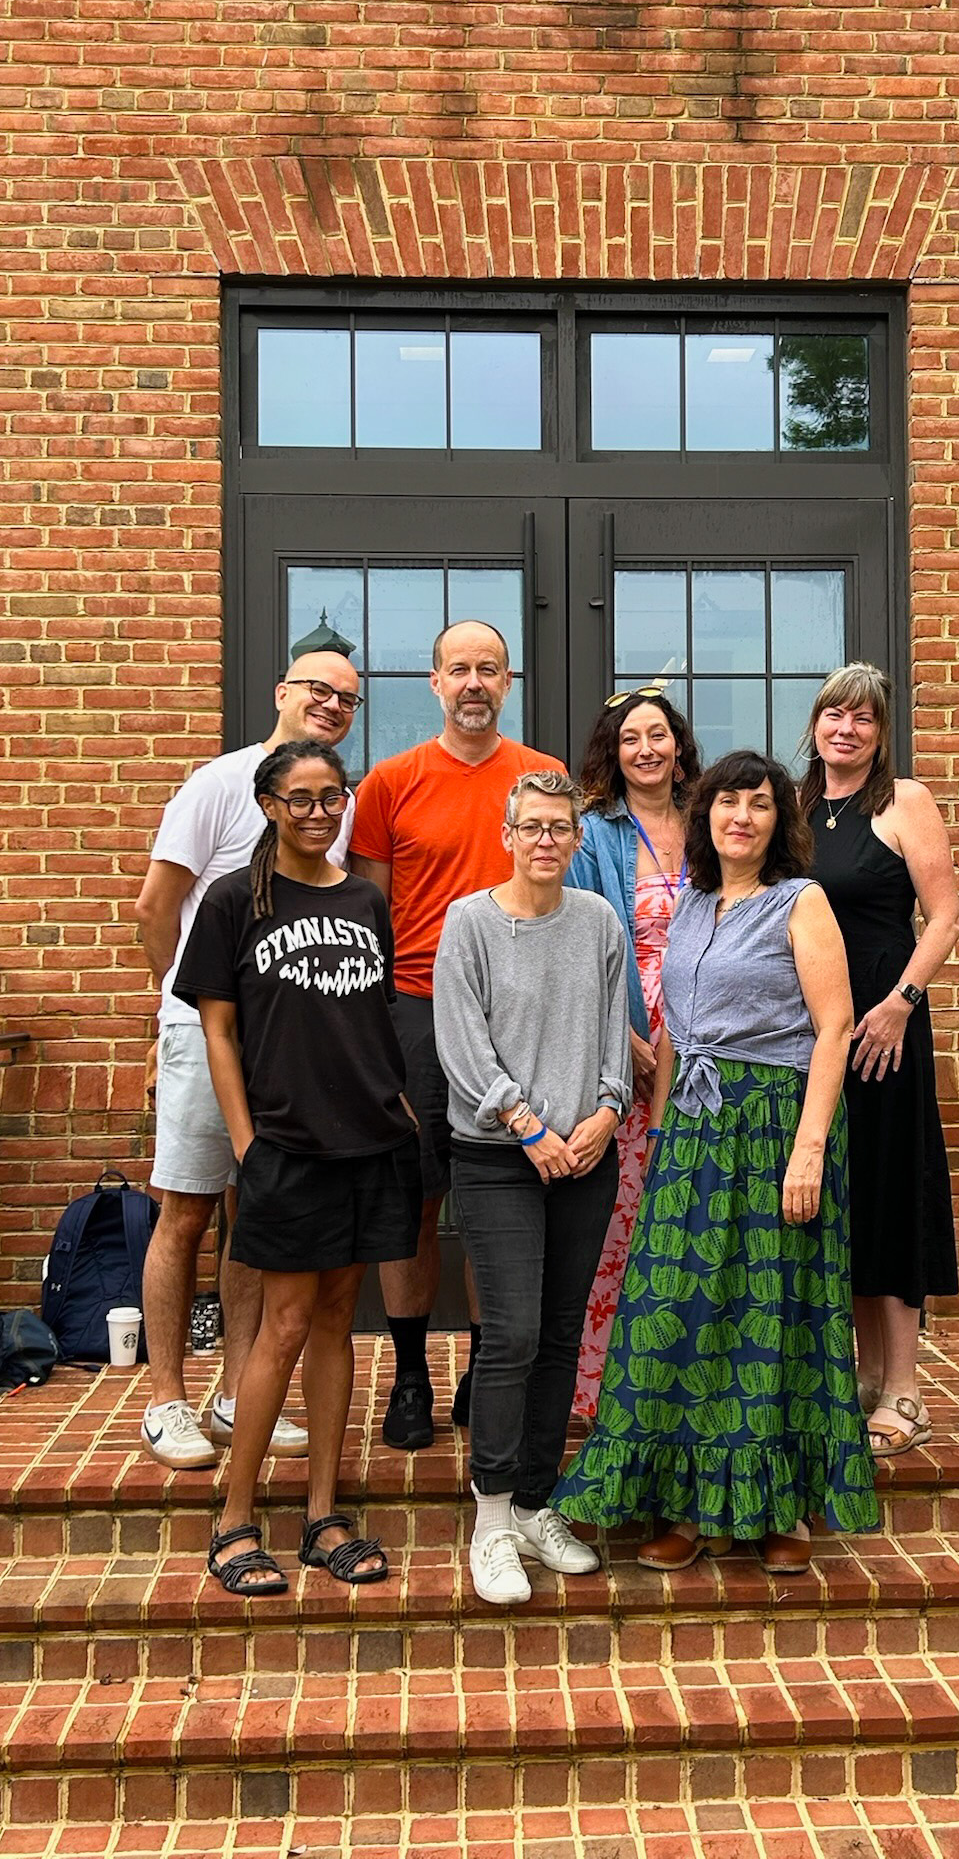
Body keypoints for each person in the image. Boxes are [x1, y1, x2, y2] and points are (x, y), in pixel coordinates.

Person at [552, 751, 878, 1573]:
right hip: (694, 1133)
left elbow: (834, 1028)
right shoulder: (693, 903)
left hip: (774, 1126)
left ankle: (779, 1511)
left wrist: (809, 1151)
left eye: (759, 804)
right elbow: (674, 1028)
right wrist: (660, 1134)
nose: (741, 816)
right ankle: (690, 1505)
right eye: (727, 802)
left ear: (778, 821)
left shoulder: (800, 901)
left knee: (773, 1312)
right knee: (683, 1309)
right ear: (706, 816)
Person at [174, 738, 418, 1595]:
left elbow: (368, 1018)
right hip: (286, 1145)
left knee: (337, 1322)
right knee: (281, 1325)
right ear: (270, 805)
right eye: (302, 798)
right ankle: (235, 1520)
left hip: (370, 1140)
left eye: (332, 796)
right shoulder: (233, 900)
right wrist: (247, 1144)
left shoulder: (364, 899)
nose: (319, 812)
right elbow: (218, 1031)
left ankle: (322, 1516)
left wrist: (398, 1107)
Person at [132, 642, 362, 1469]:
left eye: (347, 698)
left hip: (285, 1044)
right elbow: (156, 907)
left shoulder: (337, 804)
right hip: (207, 1035)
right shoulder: (218, 783)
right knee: (186, 1209)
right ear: (280, 691)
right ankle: (165, 1399)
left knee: (254, 1213)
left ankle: (235, 1395)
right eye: (318, 688)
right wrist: (177, 1012)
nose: (331, 704)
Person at [349, 621, 566, 1451]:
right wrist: (374, 1030)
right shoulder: (390, 783)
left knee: (495, 1200)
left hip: (522, 1013)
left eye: (490, 669)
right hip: (414, 1008)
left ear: (509, 683)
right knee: (412, 1199)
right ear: (434, 682)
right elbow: (368, 916)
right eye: (459, 669)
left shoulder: (538, 776)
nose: (474, 682)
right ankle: (410, 1375)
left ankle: (484, 1369)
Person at [432, 770, 632, 1605]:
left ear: (577, 840)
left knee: (558, 1335)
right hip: (496, 1156)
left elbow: (617, 1028)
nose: (546, 840)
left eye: (560, 828)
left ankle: (536, 1503)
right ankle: (491, 1518)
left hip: (584, 1157)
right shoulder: (469, 923)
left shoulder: (597, 921)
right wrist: (525, 1123)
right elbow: (460, 1040)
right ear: (507, 836)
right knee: (510, 1333)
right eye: (532, 826)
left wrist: (609, 1111)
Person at [798, 663, 959, 1457]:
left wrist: (902, 1001)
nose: (847, 729)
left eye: (863, 718)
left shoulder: (904, 802)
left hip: (883, 1032)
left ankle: (906, 1391)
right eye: (835, 714)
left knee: (891, 1197)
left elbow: (946, 916)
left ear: (881, 732)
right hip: (815, 1032)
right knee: (846, 1197)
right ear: (815, 724)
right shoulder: (795, 807)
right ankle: (865, 1378)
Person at [565, 689, 702, 1416]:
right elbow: (577, 942)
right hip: (623, 1037)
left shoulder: (710, 821)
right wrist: (623, 1039)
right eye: (630, 739)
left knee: (692, 1211)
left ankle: (685, 1381)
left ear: (678, 747)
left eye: (657, 735)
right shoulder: (594, 833)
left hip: (707, 1039)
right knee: (621, 1220)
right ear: (613, 755)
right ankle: (603, 1392)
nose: (645, 749)